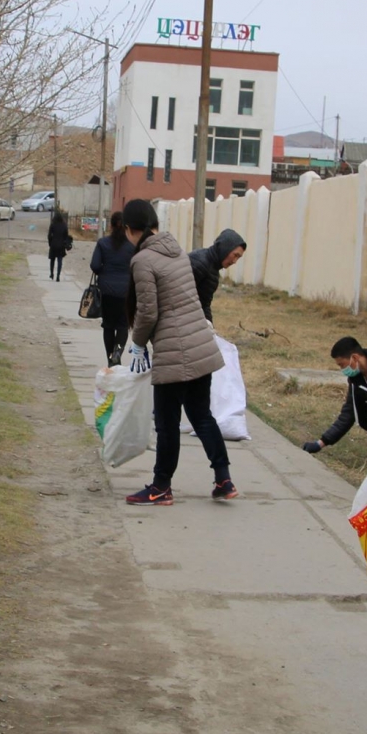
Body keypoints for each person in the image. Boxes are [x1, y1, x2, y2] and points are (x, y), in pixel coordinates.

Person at [120, 198, 237, 505]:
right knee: (201, 414)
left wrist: (137, 343)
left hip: (175, 350)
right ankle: (224, 478)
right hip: (200, 343)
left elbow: (147, 311)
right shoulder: (178, 252)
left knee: (167, 422)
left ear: (131, 230)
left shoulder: (143, 260)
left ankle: (160, 486)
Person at [90, 210, 136, 367]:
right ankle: (117, 352)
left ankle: (110, 359)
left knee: (108, 325)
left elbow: (95, 265)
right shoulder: (132, 246)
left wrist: (105, 271)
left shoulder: (103, 243)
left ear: (111, 225)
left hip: (107, 291)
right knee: (123, 325)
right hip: (126, 292)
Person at [188, 228, 247, 323]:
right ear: (225, 248)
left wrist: (209, 325)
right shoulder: (200, 262)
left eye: (238, 257)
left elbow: (204, 303)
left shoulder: (213, 269)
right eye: (235, 255)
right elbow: (181, 297)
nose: (235, 261)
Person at [47, 210, 73, 281]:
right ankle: (58, 275)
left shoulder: (53, 224)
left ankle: (52, 274)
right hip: (61, 245)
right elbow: (66, 236)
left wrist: (50, 243)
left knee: (52, 260)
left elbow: (49, 235)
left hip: (53, 245)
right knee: (60, 261)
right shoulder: (64, 225)